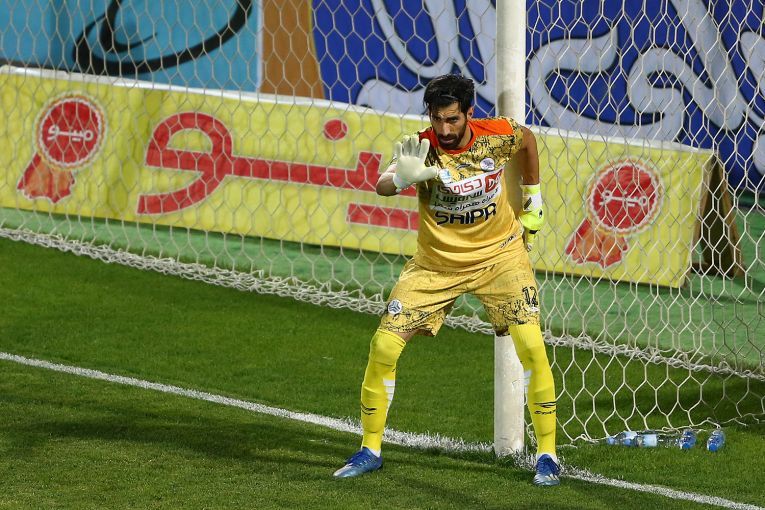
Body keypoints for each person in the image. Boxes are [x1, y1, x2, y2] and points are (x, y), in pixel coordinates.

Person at [332, 74, 560, 486]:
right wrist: (401, 179)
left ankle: (548, 455)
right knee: (384, 345)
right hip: (436, 264)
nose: (444, 128)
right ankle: (370, 449)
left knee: (531, 345)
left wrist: (534, 197)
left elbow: (527, 140)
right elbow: (382, 184)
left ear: (470, 112)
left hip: (501, 256)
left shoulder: (496, 136)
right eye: (437, 119)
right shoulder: (422, 147)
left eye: (452, 119)